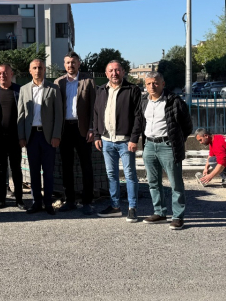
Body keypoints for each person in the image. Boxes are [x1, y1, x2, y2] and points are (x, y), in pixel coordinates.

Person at [140, 71, 193, 230]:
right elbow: (141, 122)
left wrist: (177, 141)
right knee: (153, 182)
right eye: (149, 83)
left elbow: (187, 125)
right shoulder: (144, 101)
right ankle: (159, 212)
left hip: (168, 145)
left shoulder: (174, 101)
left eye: (155, 83)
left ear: (163, 84)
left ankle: (178, 216)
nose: (152, 86)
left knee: (175, 183)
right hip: (149, 145)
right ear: (145, 85)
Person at [93, 60, 143, 222]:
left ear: (123, 72)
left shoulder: (132, 90)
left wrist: (134, 139)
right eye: (111, 71)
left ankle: (132, 208)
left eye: (117, 70)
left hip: (125, 141)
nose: (114, 73)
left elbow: (138, 116)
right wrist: (97, 135)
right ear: (106, 74)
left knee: (130, 174)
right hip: (106, 141)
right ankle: (115, 206)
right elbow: (96, 114)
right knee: (111, 175)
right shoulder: (101, 90)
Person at [54, 51, 97, 215]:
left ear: (79, 64)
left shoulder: (88, 81)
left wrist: (92, 128)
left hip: (83, 129)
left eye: (73, 62)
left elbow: (94, 107)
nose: (70, 65)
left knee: (86, 166)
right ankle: (70, 200)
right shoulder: (58, 82)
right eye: (67, 62)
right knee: (66, 166)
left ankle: (87, 202)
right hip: (65, 129)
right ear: (64, 65)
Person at [17, 58, 62, 215]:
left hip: (48, 136)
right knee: (34, 171)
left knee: (48, 171)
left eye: (40, 67)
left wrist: (56, 135)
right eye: (35, 68)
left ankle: (48, 203)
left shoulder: (53, 89)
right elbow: (21, 115)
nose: (38, 70)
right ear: (30, 71)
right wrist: (21, 136)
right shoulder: (24, 89)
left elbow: (59, 115)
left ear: (44, 70)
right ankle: (36, 202)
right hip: (31, 137)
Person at [0, 63, 24, 209]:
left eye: (5, 72)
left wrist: (23, 136)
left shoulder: (19, 91)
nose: (2, 75)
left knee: (16, 169)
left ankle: (19, 199)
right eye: (0, 73)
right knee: (0, 169)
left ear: (11, 74)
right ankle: (1, 199)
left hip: (15, 137)